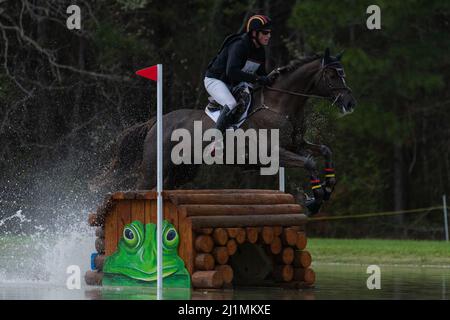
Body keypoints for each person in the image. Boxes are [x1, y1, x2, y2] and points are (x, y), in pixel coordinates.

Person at [204, 14, 275, 132]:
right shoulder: (239, 45)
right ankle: (216, 141)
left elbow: (262, 74)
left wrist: (271, 78)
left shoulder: (260, 51)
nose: (268, 36)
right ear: (254, 33)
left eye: (269, 33)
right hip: (215, 80)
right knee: (231, 104)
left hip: (234, 83)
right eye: (265, 33)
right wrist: (258, 79)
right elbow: (231, 71)